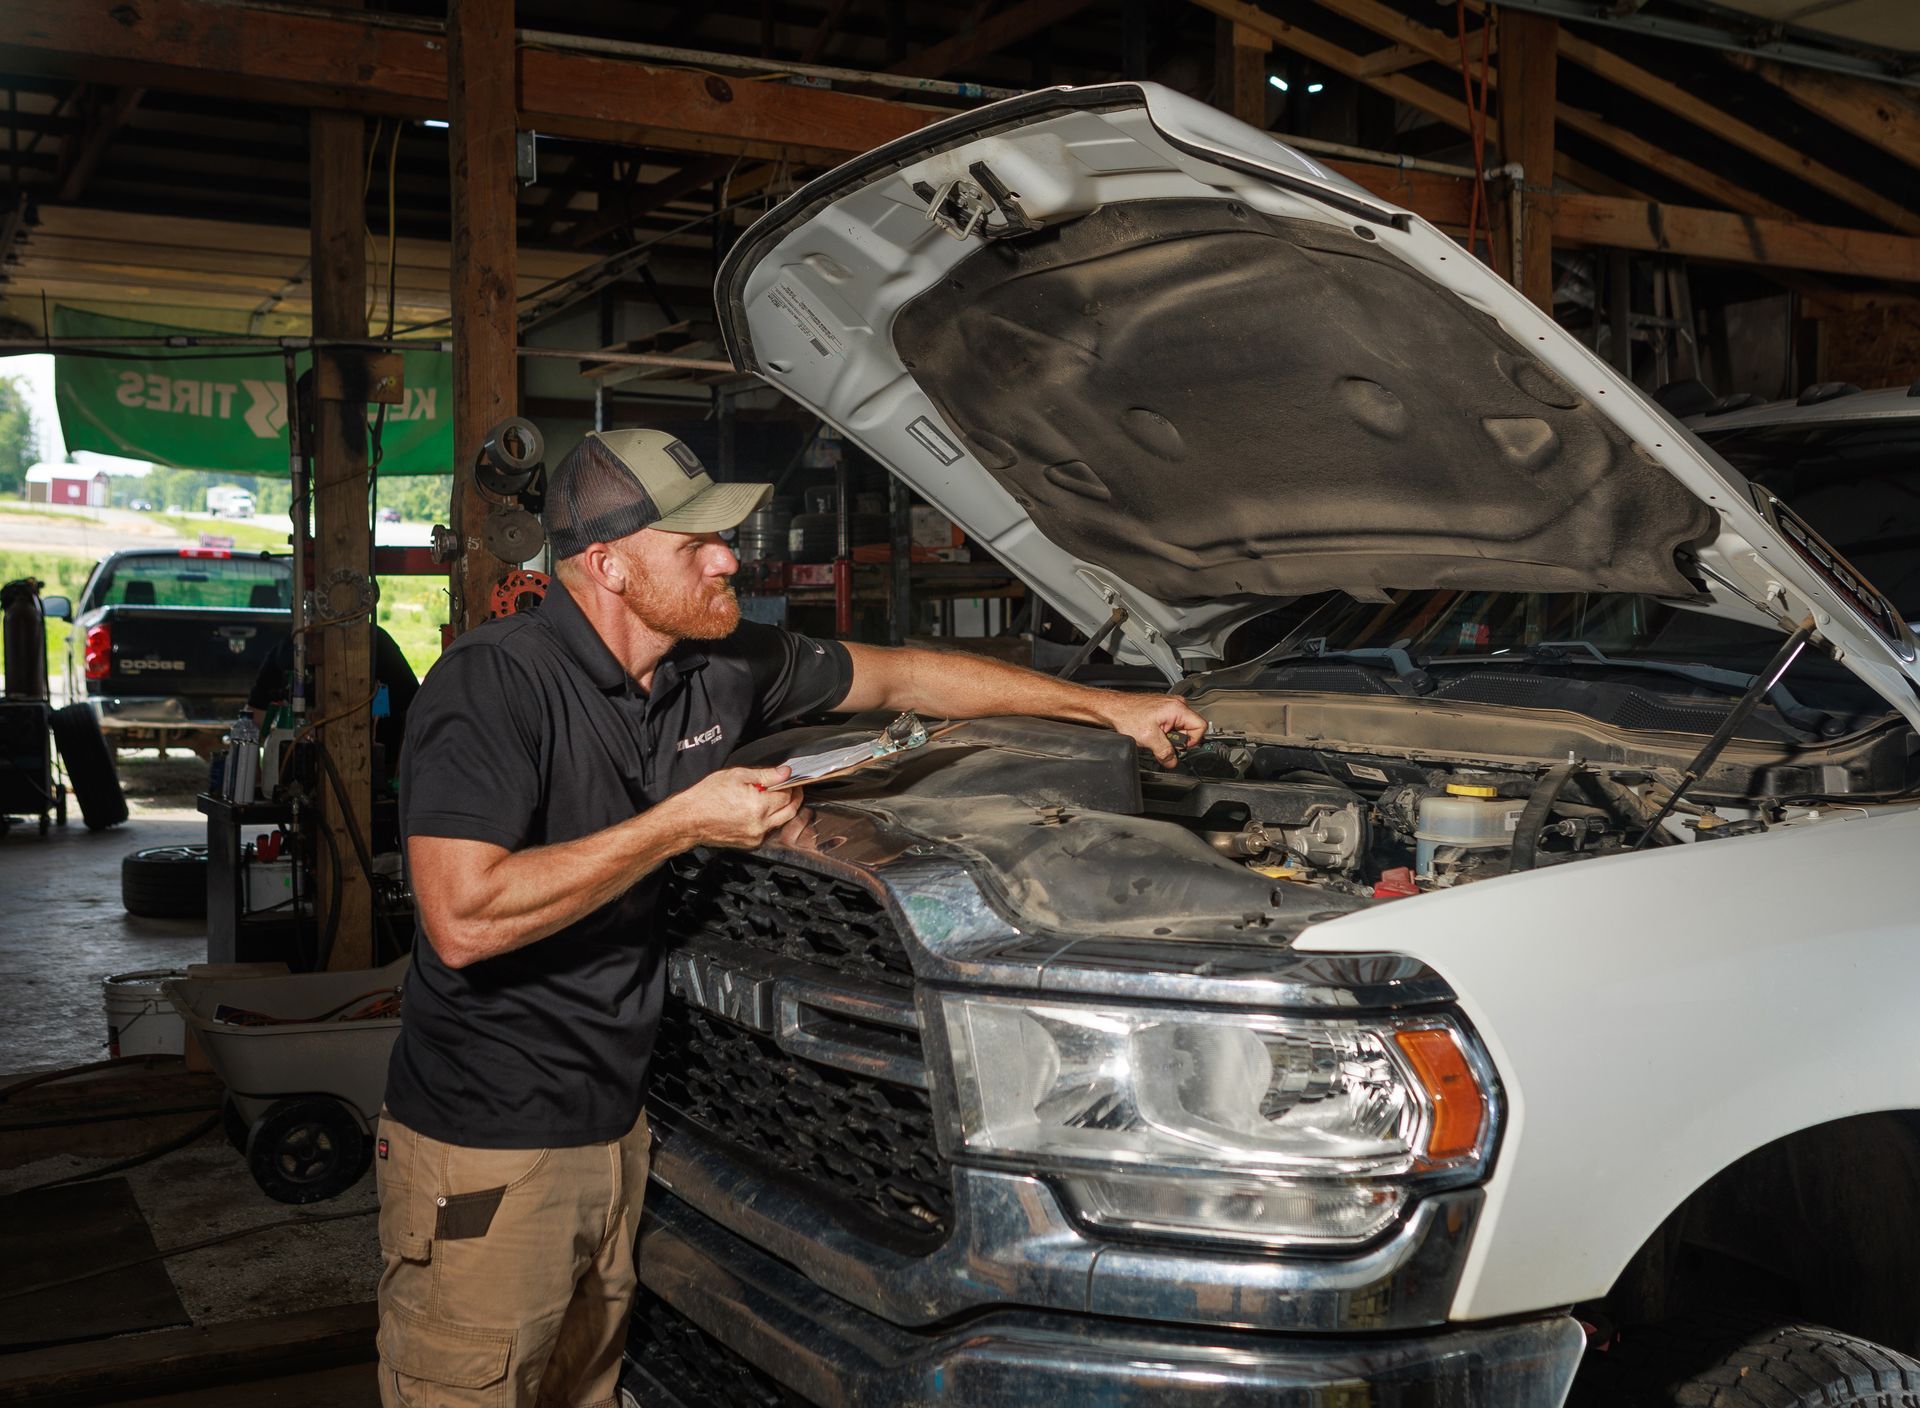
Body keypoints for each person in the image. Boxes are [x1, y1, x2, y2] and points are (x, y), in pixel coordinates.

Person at [374, 429, 1206, 1407]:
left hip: (621, 1131)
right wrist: (685, 821)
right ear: (607, 565)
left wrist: (1109, 709)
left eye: (724, 536)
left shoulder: (717, 665)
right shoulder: (494, 685)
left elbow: (903, 676)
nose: (730, 556)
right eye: (695, 544)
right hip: (488, 1147)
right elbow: (464, 918)